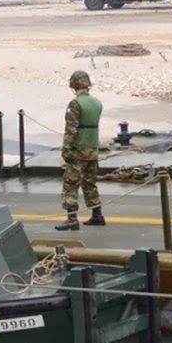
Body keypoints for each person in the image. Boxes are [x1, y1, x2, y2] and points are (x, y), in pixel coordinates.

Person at [55, 70, 104, 231]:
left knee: (70, 184)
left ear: (75, 85)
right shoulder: (97, 103)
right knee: (90, 182)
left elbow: (71, 130)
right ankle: (97, 214)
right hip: (92, 149)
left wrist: (66, 150)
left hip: (78, 150)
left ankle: (72, 218)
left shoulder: (75, 104)